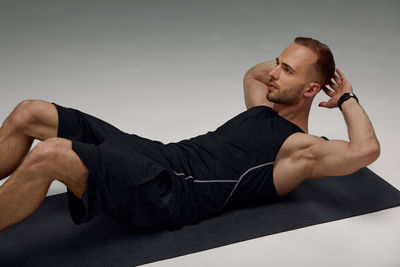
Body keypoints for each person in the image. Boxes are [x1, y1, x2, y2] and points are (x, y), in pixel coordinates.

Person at [0, 37, 380, 232]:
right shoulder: (263, 107)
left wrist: (345, 96)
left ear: (312, 91)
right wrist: (295, 62)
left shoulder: (299, 150)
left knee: (51, 153)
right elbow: (253, 73)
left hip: (169, 191)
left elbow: (365, 150)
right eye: (278, 64)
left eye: (287, 72)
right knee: (31, 111)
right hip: (155, 155)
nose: (273, 74)